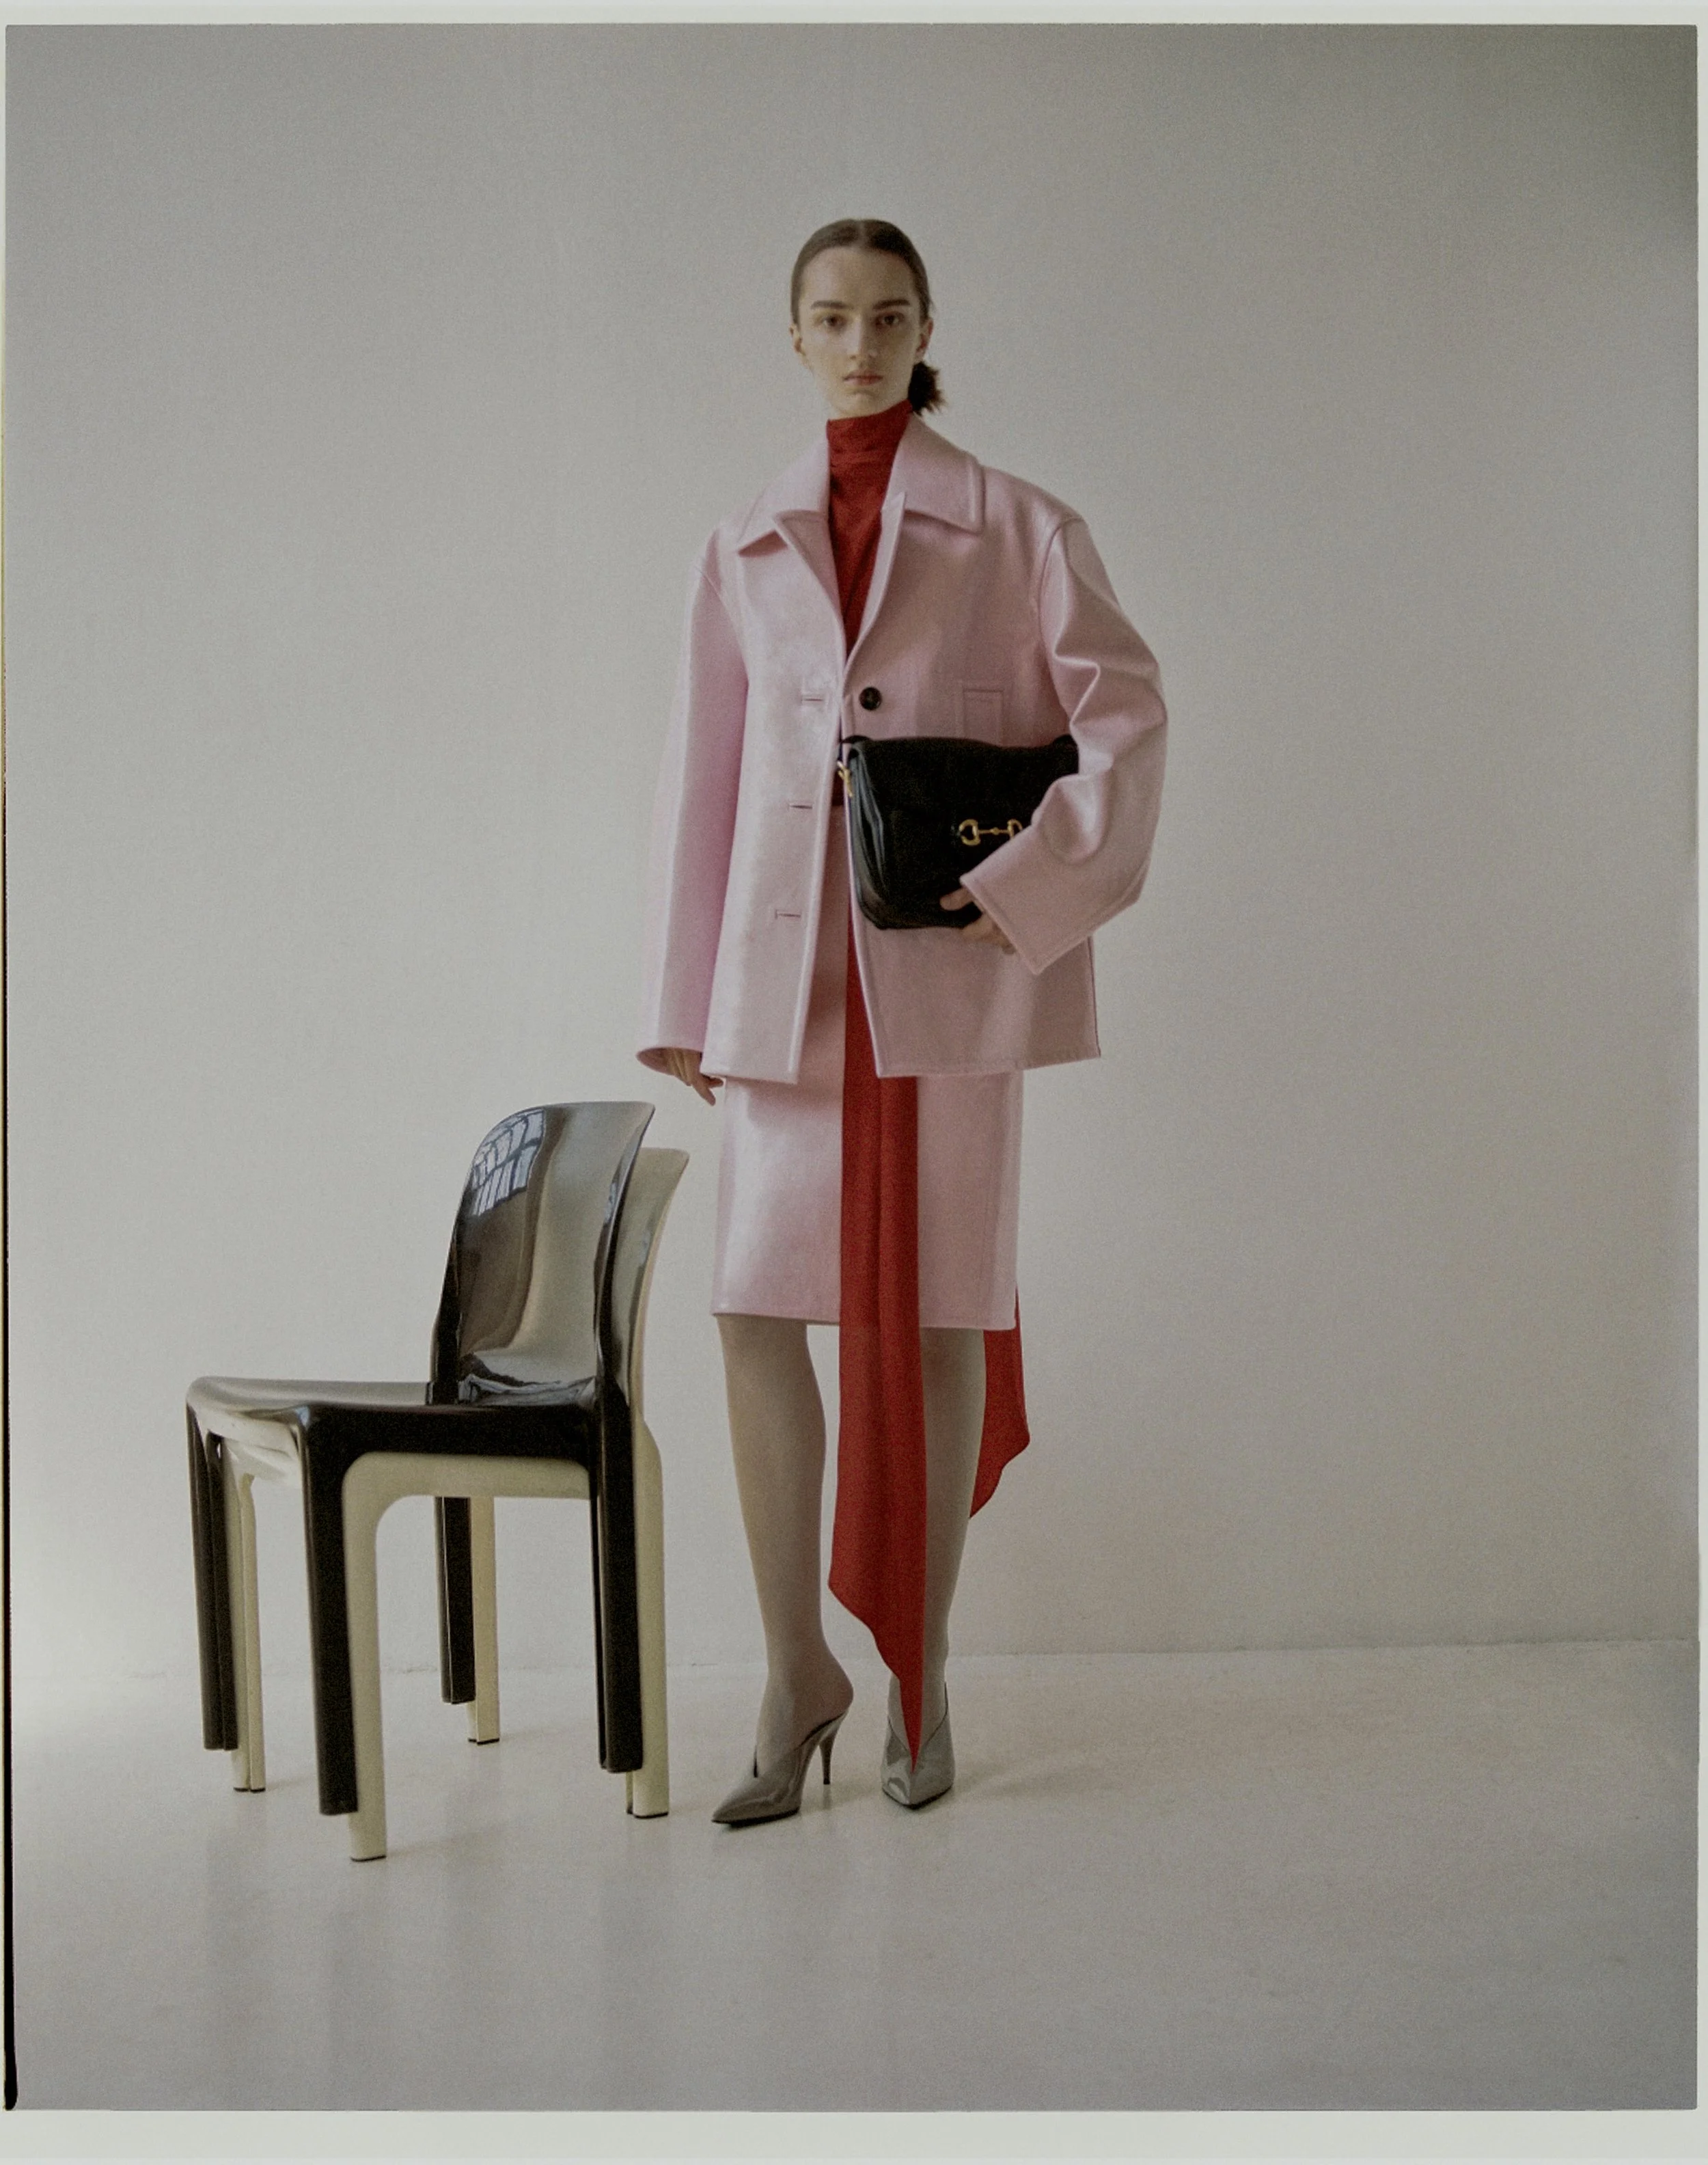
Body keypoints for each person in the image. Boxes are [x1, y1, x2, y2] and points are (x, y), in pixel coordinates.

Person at [637, 218, 1166, 1823]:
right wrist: (679, 1000)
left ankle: (919, 1678)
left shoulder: (1018, 527)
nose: (857, 344)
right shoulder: (743, 542)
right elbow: (703, 779)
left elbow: (1124, 722)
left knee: (945, 1313)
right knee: (749, 1312)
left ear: (924, 325)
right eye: (827, 318)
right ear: (790, 335)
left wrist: (1022, 896)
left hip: (946, 978)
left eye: (884, 317)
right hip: (787, 989)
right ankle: (795, 1672)